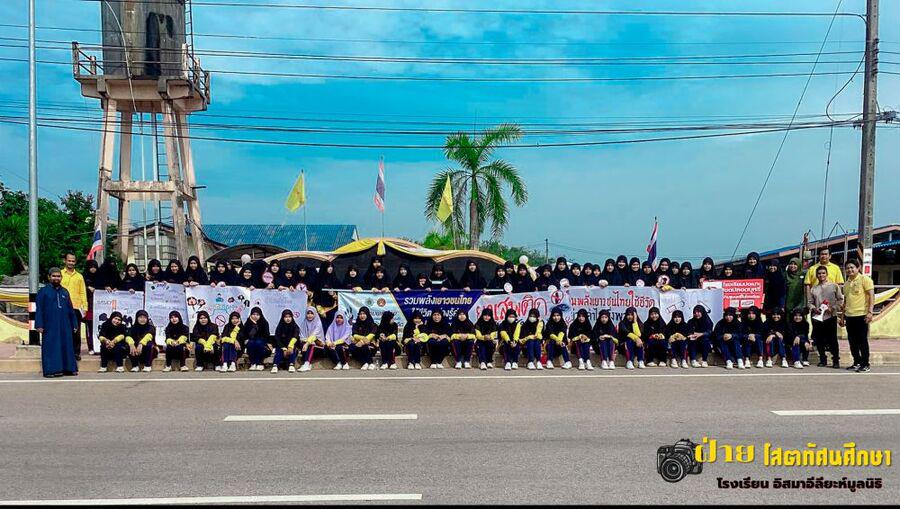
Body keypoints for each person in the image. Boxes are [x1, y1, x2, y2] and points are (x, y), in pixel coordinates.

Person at [36, 267, 79, 377]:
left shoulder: (65, 291)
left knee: (66, 345)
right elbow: (39, 309)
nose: (56, 278)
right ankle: (51, 370)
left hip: (65, 324)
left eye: (58, 276)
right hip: (49, 324)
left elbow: (70, 309)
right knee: (51, 346)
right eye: (54, 276)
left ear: (61, 277)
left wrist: (74, 323)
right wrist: (39, 324)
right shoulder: (43, 292)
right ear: (49, 277)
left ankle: (68, 369)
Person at [841, 259, 875, 373]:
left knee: (862, 341)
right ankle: (857, 362)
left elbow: (871, 296)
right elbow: (845, 301)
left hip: (861, 315)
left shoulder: (865, 279)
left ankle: (865, 364)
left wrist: (870, 312)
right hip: (849, 316)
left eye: (852, 267)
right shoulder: (846, 284)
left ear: (858, 268)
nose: (849, 270)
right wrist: (842, 317)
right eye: (847, 268)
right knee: (852, 341)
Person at [808, 265, 844, 369]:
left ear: (827, 274)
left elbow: (840, 300)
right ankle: (823, 359)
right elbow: (809, 302)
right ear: (816, 275)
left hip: (830, 317)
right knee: (819, 339)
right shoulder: (813, 289)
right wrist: (814, 308)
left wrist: (833, 308)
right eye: (819, 273)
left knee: (832, 339)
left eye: (823, 273)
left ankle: (836, 360)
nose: (821, 275)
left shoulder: (834, 286)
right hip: (818, 317)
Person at [60, 254, 88, 360]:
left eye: (73, 261)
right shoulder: (60, 274)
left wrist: (85, 307)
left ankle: (76, 353)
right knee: (62, 330)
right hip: (62, 307)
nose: (71, 263)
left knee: (76, 331)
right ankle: (63, 352)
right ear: (65, 261)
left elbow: (82, 292)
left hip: (76, 307)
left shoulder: (79, 276)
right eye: (69, 261)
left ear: (75, 262)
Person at [241, 307, 271, 371]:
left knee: (258, 343)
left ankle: (259, 363)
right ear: (251, 315)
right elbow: (246, 335)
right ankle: (253, 363)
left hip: (262, 342)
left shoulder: (264, 323)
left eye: (257, 315)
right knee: (251, 343)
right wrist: (253, 324)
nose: (255, 316)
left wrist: (256, 325)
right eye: (253, 314)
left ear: (260, 315)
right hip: (251, 341)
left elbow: (266, 335)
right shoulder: (248, 323)